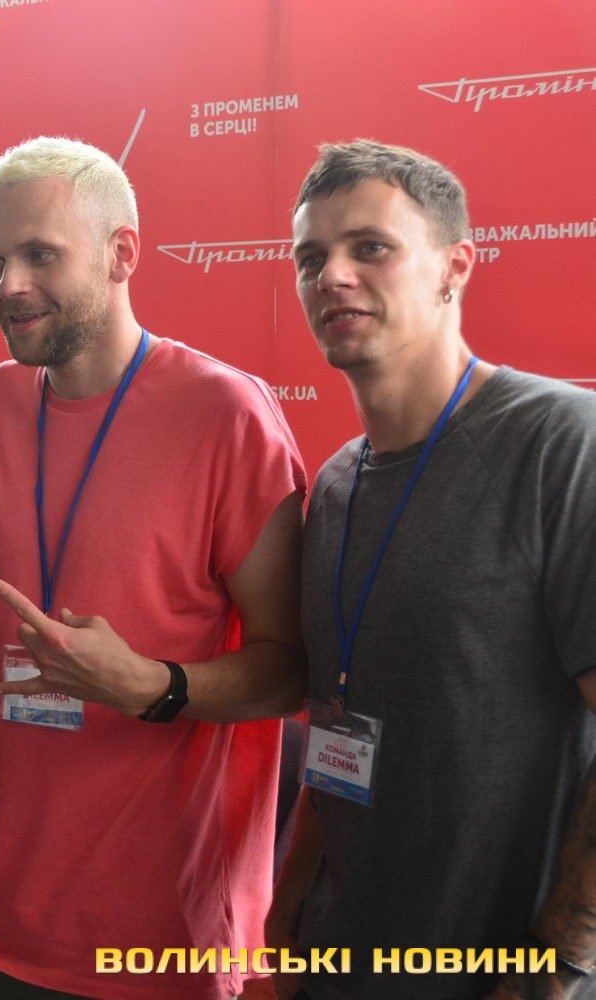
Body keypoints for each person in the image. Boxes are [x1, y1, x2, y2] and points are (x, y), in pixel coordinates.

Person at [0, 136, 308, 1000]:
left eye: (40, 255)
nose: (7, 285)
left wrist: (153, 684)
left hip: (156, 937)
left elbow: (292, 670)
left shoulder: (226, 413)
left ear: (122, 253)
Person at [267, 139, 596, 1000]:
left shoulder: (561, 443)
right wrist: (291, 901)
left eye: (370, 247)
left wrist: (556, 969)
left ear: (456, 267)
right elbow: (340, 712)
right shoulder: (334, 486)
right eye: (311, 257)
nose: (333, 276)